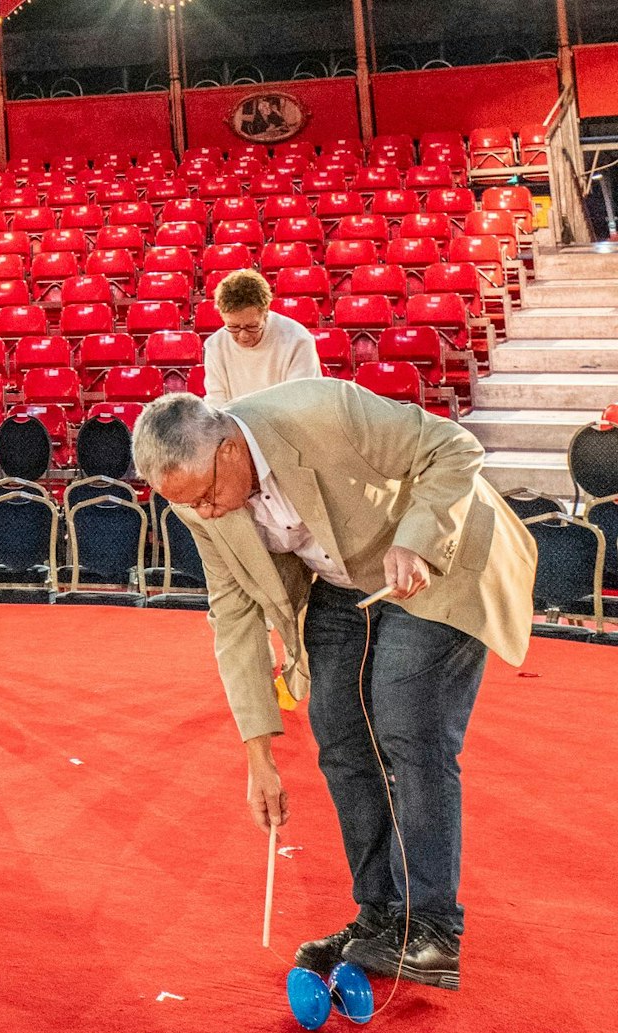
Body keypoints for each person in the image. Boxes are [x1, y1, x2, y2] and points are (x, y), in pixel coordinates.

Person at [133, 383, 535, 991]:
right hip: (343, 585)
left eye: (210, 497)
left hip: (436, 561)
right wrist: (258, 755)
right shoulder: (198, 497)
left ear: (228, 449)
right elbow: (234, 616)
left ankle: (430, 927)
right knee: (339, 732)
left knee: (407, 724)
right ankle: (378, 917)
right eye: (192, 507)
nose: (207, 514)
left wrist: (416, 539)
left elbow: (454, 447)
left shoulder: (325, 412)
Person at [202, 269, 320, 407]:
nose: (243, 335)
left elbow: (299, 401)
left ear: (265, 313)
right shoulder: (215, 346)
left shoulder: (298, 340)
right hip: (237, 425)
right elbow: (216, 402)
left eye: (252, 326)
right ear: (222, 317)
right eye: (233, 327)